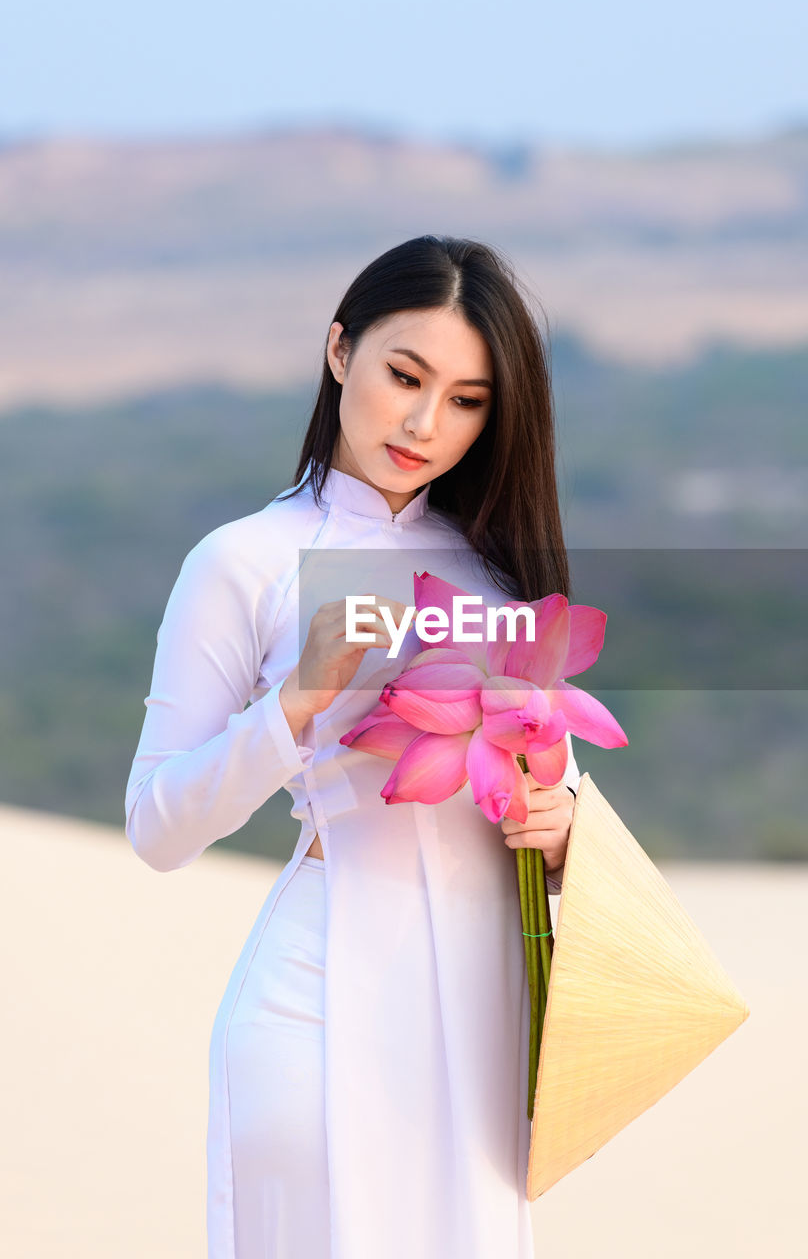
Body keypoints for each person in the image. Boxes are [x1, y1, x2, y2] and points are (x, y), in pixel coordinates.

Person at [125, 234, 581, 1259]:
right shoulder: (244, 561)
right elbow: (156, 826)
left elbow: (548, 787)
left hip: (480, 1014)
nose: (425, 423)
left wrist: (564, 833)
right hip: (316, 1002)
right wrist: (294, 703)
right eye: (404, 376)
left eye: (467, 400)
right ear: (341, 353)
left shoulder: (497, 577)